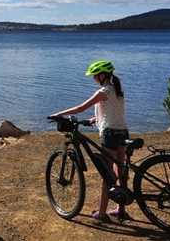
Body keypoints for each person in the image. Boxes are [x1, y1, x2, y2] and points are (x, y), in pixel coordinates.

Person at [51, 59, 129, 223]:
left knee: (107, 175)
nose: (93, 78)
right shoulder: (117, 89)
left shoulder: (103, 91)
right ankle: (121, 209)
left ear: (101, 75)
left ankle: (101, 213)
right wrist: (96, 118)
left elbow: (80, 108)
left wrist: (59, 114)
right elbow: (113, 111)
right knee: (120, 171)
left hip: (110, 135)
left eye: (94, 75)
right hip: (123, 131)